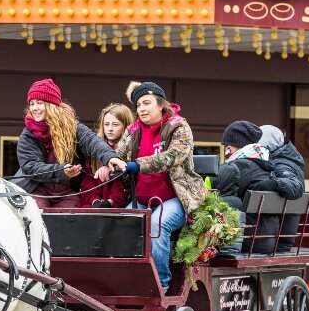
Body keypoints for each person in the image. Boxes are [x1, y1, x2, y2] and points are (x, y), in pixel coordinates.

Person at [108, 81, 207, 293]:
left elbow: (172, 157)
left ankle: (160, 285)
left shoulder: (178, 126)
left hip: (175, 198)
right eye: (138, 105)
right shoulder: (133, 129)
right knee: (119, 226)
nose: (142, 109)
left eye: (147, 103)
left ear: (160, 104)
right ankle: (126, 281)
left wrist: (137, 165)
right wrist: (110, 163)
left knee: (156, 226)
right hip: (140, 199)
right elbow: (119, 154)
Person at [12, 78, 126, 208]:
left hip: (68, 192)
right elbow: (30, 166)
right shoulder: (28, 135)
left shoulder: (73, 127)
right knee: (38, 215)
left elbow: (91, 141)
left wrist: (110, 156)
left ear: (52, 105)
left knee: (70, 219)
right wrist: (61, 171)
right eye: (31, 104)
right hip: (36, 189)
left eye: (39, 103)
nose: (34, 108)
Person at [211, 120, 279, 254]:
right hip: (266, 239)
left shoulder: (240, 166)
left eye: (227, 145)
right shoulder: (265, 165)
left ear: (235, 144)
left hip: (246, 239)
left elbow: (217, 193)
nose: (226, 149)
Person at [256, 124, 306, 252]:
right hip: (280, 237)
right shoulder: (286, 159)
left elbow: (295, 186)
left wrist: (273, 183)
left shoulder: (282, 164)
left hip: (277, 240)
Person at [78, 103, 132, 208]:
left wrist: (110, 202)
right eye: (106, 124)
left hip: (120, 206)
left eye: (115, 124)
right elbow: (88, 182)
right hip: (92, 204)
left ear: (125, 126)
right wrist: (95, 201)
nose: (110, 128)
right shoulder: (94, 148)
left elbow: (124, 186)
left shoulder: (131, 150)